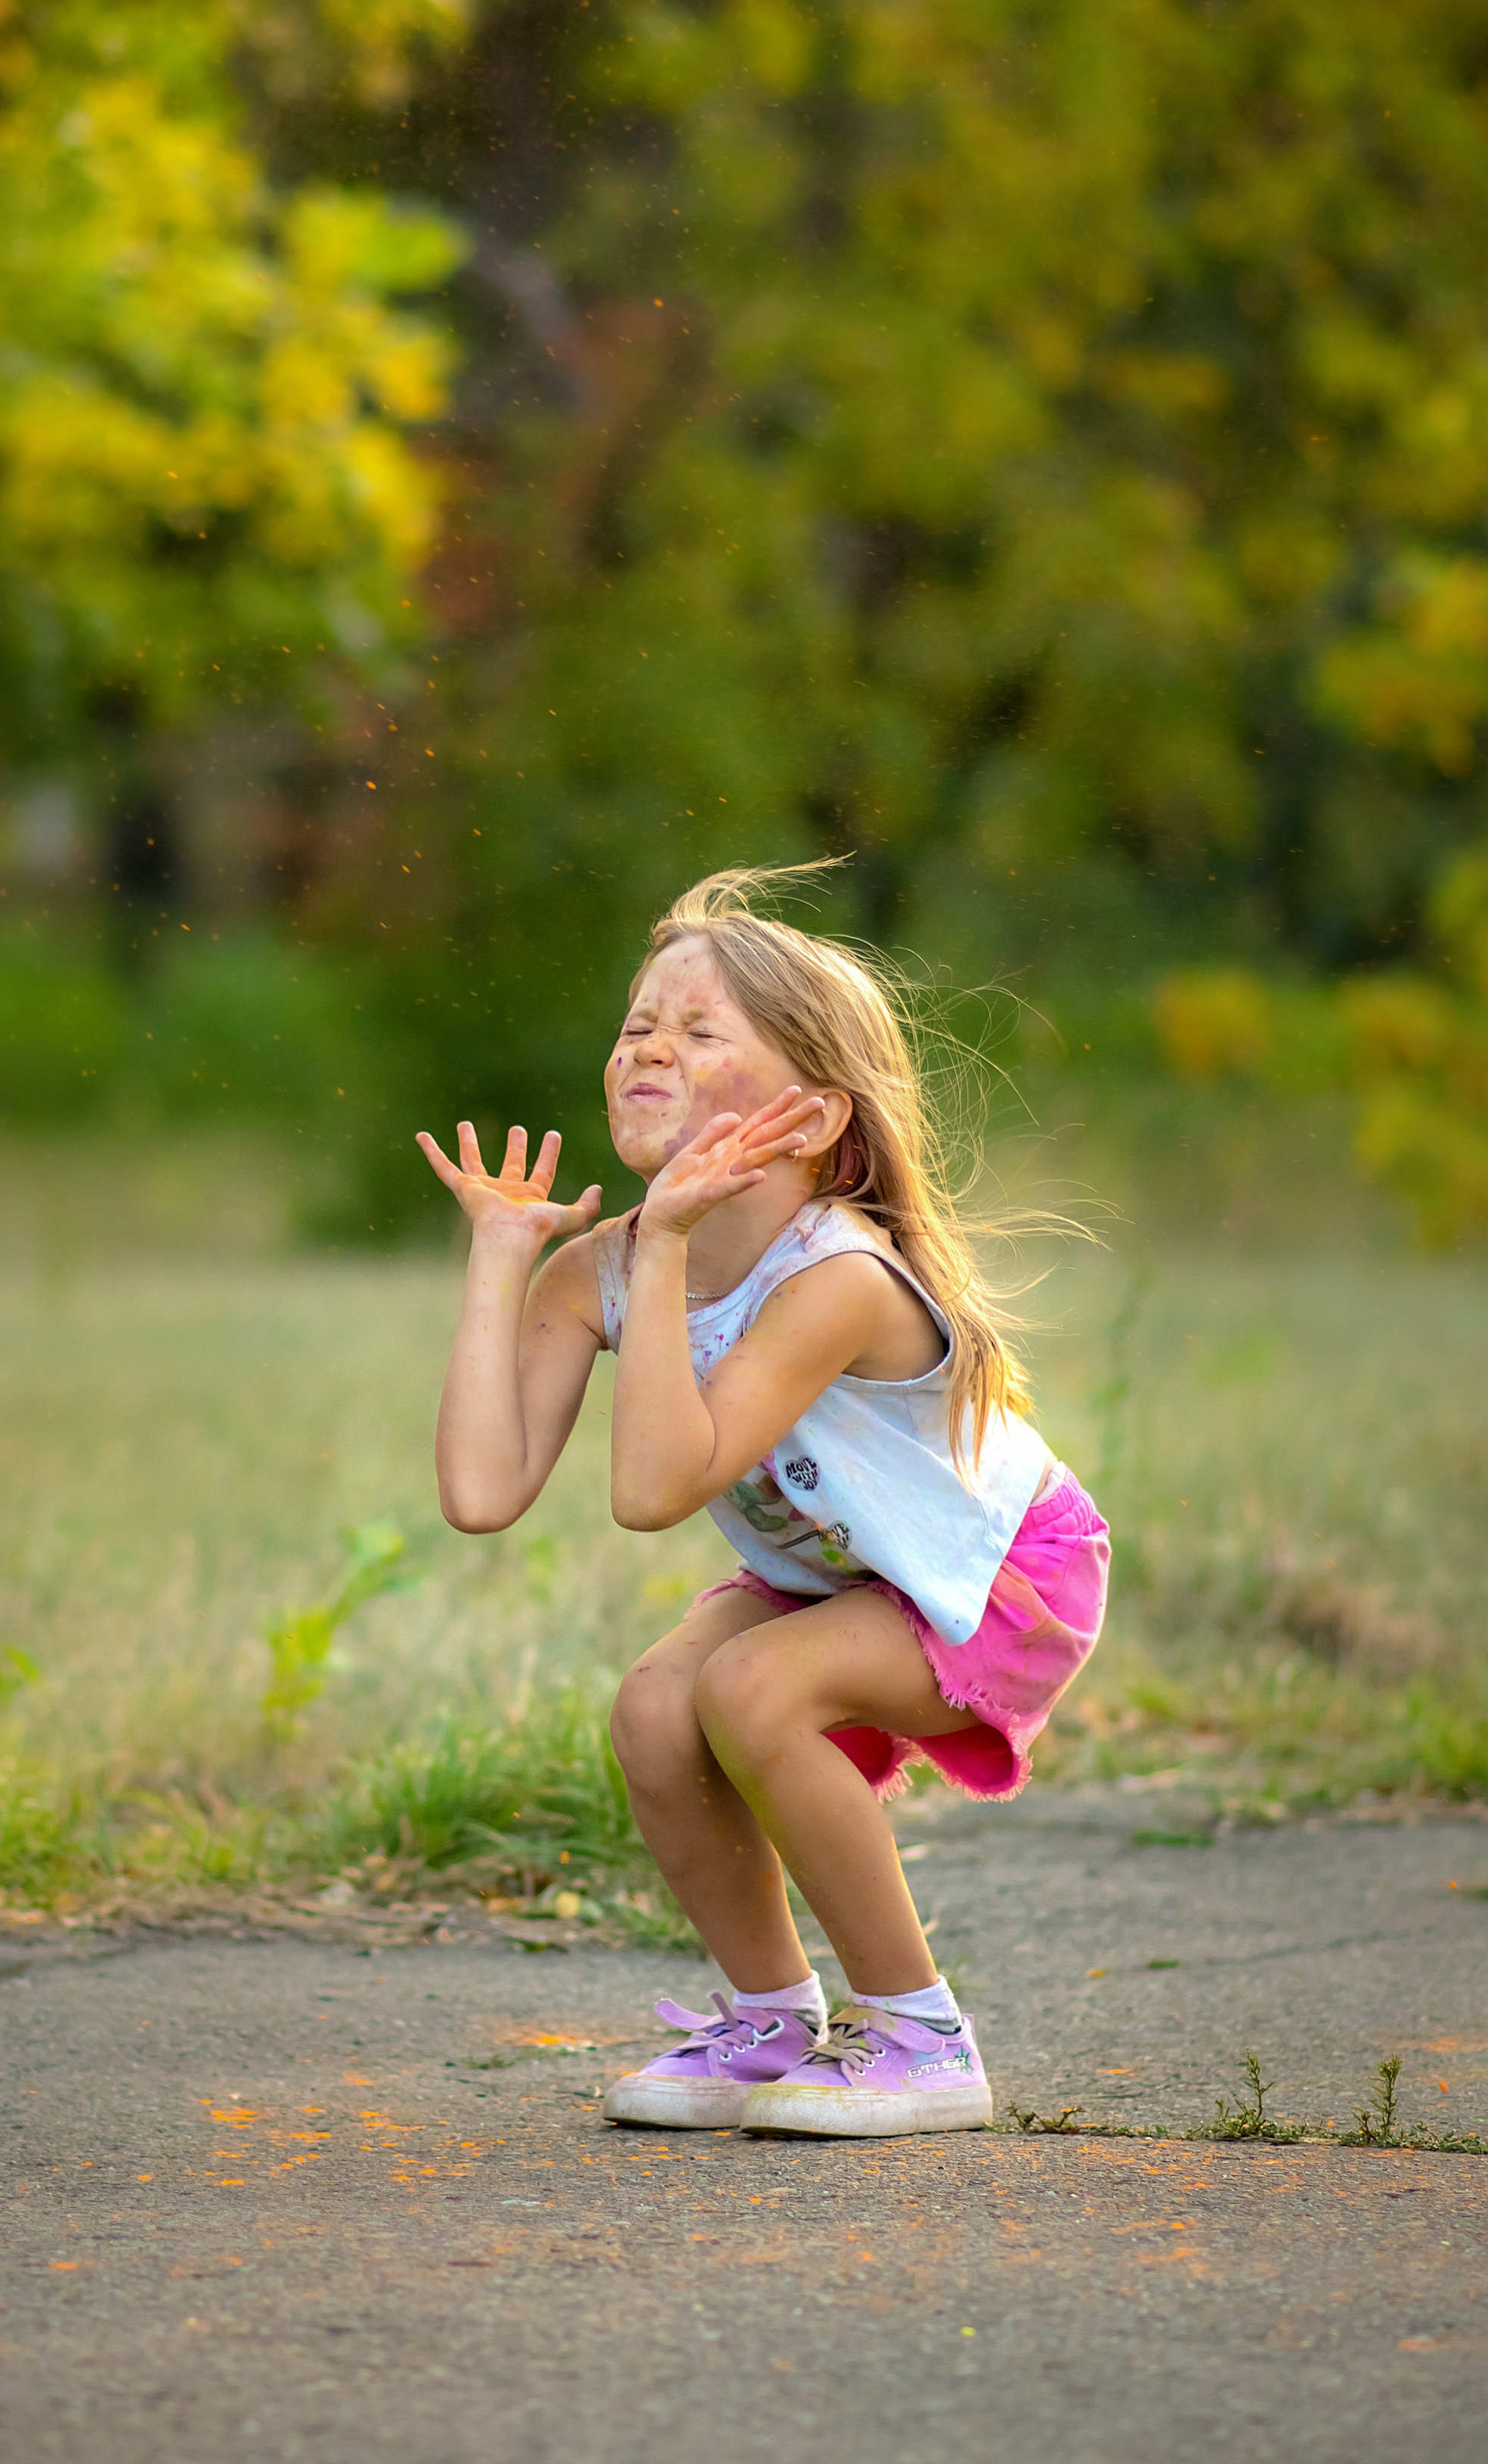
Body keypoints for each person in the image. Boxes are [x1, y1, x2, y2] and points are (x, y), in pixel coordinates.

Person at [416, 865, 1109, 2138]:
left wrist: (669, 1245)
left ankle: (920, 2039)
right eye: (638, 1026)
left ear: (807, 1117)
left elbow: (650, 1493)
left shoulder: (837, 1277)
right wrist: (500, 1262)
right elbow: (480, 1490)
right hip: (840, 1579)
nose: (648, 1049)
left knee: (749, 1689)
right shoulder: (602, 1268)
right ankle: (769, 2020)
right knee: (655, 1707)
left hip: (1003, 1574)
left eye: (697, 1033)